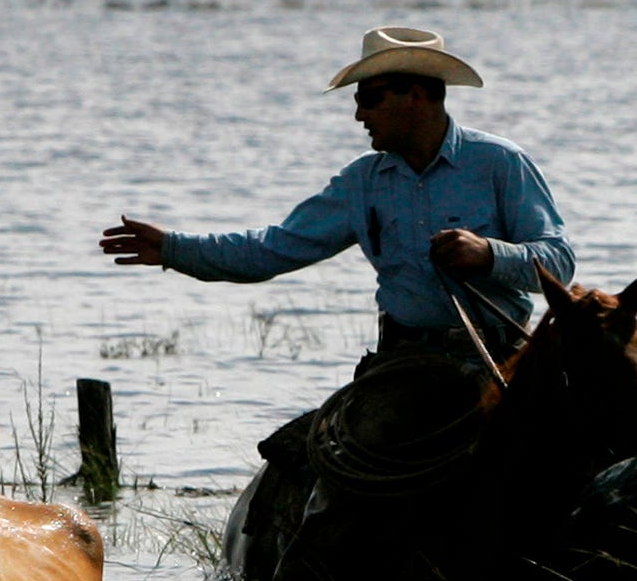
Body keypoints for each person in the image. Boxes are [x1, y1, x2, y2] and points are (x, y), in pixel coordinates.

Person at [100, 26, 575, 365]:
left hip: (502, 357)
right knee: (313, 467)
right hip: (403, 366)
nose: (359, 117)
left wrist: (488, 254)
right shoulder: (361, 182)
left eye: (369, 100)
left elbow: (558, 264)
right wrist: (175, 249)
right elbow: (273, 248)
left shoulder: (499, 162)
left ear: (415, 95)